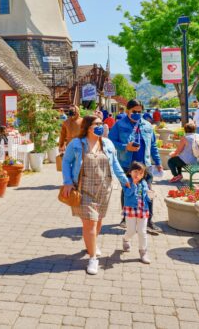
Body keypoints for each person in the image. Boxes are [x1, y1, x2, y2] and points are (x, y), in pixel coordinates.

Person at [60, 114, 129, 275]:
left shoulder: (107, 143)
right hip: (84, 188)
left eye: (101, 123)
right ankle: (92, 258)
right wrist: (67, 181)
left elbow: (116, 164)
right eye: (97, 124)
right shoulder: (77, 144)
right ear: (88, 127)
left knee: (98, 221)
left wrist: (125, 181)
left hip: (105, 188)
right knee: (90, 223)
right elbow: (66, 161)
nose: (101, 126)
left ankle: (92, 243)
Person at [108, 100, 163, 234]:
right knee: (128, 191)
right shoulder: (119, 125)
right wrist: (125, 147)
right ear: (128, 111)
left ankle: (149, 221)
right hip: (127, 165)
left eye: (139, 111)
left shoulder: (148, 126)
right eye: (134, 111)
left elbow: (154, 146)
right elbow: (110, 142)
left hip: (145, 166)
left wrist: (158, 162)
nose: (137, 114)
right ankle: (126, 219)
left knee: (148, 192)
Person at [121, 162, 154, 264]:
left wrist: (151, 196)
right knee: (131, 231)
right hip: (131, 209)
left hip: (143, 209)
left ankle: (143, 252)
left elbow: (147, 197)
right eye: (135, 171)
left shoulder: (144, 183)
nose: (137, 175)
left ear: (143, 174)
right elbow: (127, 193)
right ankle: (125, 239)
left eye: (140, 173)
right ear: (130, 172)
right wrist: (133, 185)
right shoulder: (127, 182)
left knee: (142, 231)